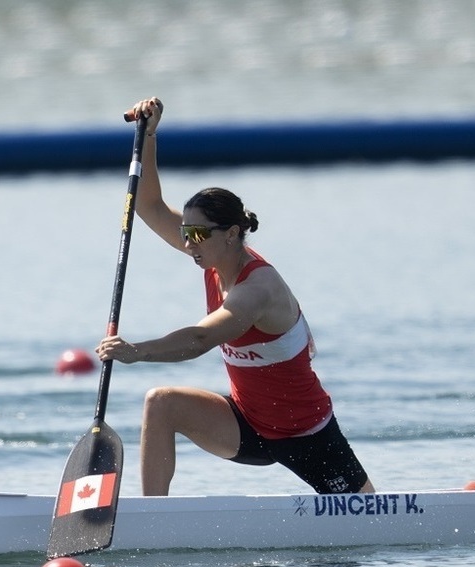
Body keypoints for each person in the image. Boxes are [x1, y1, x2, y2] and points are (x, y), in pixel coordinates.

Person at [95, 97, 375, 497]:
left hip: (305, 431)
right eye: (186, 234)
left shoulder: (257, 290)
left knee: (364, 521)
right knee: (161, 403)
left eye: (198, 234)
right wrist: (150, 135)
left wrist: (137, 351)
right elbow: (149, 205)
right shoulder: (211, 255)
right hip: (246, 423)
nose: (189, 243)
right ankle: (152, 520)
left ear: (231, 234)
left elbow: (201, 339)